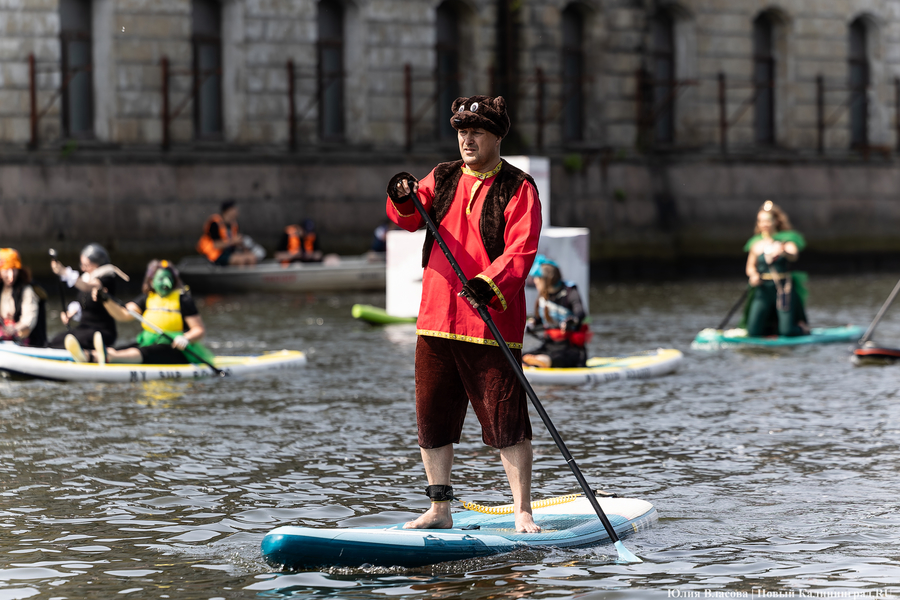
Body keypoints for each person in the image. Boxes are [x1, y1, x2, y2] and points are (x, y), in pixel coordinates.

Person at [385, 95, 542, 533]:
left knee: (506, 420)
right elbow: (410, 215)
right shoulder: (442, 175)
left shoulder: (519, 186)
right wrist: (401, 195)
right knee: (432, 417)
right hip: (435, 318)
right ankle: (439, 508)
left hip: (490, 323)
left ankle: (522, 511)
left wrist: (486, 283)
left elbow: (522, 250)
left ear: (495, 136)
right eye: (461, 132)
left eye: (476, 132)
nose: (467, 139)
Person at [65, 260, 213, 366]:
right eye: (160, 279)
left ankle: (106, 357)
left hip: (175, 348)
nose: (165, 283)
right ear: (151, 281)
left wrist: (186, 338)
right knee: (123, 348)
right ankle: (89, 355)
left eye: (168, 278)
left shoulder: (183, 299)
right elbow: (123, 314)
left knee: (139, 353)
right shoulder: (147, 298)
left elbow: (199, 330)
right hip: (148, 341)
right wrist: (106, 300)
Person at [742, 200, 810, 337]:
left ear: (776, 221)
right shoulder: (756, 244)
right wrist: (753, 275)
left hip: (782, 289)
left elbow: (793, 255)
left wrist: (783, 251)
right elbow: (750, 267)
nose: (764, 224)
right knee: (753, 332)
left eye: (767, 220)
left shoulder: (786, 240)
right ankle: (771, 329)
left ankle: (802, 329)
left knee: (787, 331)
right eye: (761, 221)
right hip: (763, 289)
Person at [48, 243, 126, 350]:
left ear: (97, 264)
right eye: (82, 265)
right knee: (56, 341)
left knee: (67, 343)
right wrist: (70, 314)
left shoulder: (107, 279)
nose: (83, 269)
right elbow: (83, 303)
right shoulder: (86, 277)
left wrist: (64, 272)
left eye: (86, 265)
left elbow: (87, 287)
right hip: (84, 328)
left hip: (102, 330)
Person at [522, 258, 590, 369]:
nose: (535, 281)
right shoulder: (543, 296)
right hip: (550, 345)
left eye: (538, 278)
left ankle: (544, 361)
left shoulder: (570, 292)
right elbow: (538, 319)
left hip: (570, 348)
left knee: (556, 357)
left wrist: (571, 321)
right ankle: (536, 361)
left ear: (547, 280)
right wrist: (532, 323)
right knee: (522, 356)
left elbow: (580, 313)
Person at [0, 248, 48, 347]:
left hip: (25, 340)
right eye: (6, 271)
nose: (11, 276)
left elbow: (28, 320)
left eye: (14, 270)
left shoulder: (27, 290)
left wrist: (14, 329)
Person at [196, 200, 258, 266]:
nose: (236, 212)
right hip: (214, 254)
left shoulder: (233, 225)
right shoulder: (215, 223)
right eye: (234, 209)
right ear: (227, 211)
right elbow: (215, 245)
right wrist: (232, 241)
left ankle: (248, 275)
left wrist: (243, 247)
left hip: (228, 252)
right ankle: (237, 275)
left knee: (251, 257)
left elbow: (236, 241)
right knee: (240, 260)